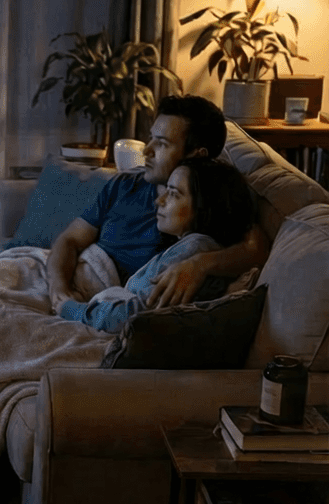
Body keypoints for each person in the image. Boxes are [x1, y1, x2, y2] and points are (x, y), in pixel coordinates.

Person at [46, 95, 268, 311]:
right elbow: (70, 240)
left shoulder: (214, 199)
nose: (146, 150)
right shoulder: (125, 184)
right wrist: (59, 291)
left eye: (161, 144)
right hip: (69, 281)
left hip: (112, 301)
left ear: (196, 155)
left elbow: (256, 249)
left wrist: (200, 265)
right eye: (151, 137)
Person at [56, 156, 254, 333]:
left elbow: (134, 317)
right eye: (165, 190)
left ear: (205, 207)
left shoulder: (195, 249)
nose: (159, 200)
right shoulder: (187, 247)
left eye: (174, 194)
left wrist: (70, 308)